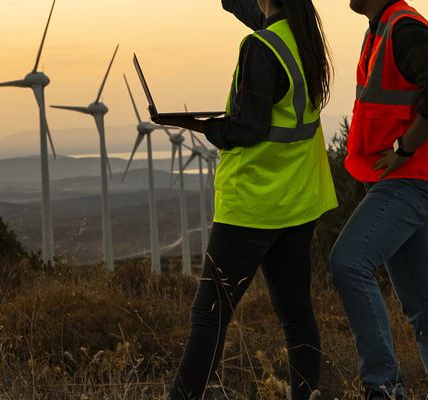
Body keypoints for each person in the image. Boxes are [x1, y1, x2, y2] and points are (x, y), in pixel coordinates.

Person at [151, 0, 336, 397]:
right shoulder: (304, 39)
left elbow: (249, 128)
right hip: (299, 199)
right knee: (296, 316)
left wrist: (204, 127)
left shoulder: (260, 47)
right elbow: (251, 11)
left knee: (209, 317)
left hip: (252, 204)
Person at [329, 0, 428, 398]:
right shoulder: (381, 28)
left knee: (349, 262)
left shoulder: (404, 28)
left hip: (414, 178)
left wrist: (405, 148)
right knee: (424, 306)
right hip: (402, 178)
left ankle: (383, 388)